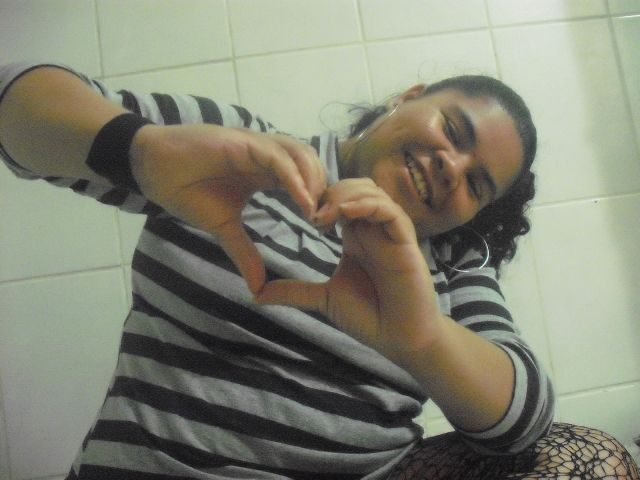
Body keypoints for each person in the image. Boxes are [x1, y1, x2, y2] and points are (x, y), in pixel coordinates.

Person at [0, 62, 637, 480]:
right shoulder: (244, 153)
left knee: (596, 462)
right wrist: (140, 150)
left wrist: (419, 337)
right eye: (452, 129)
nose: (451, 165)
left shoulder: (448, 266)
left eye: (476, 183)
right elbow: (15, 101)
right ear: (406, 99)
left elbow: (523, 423)